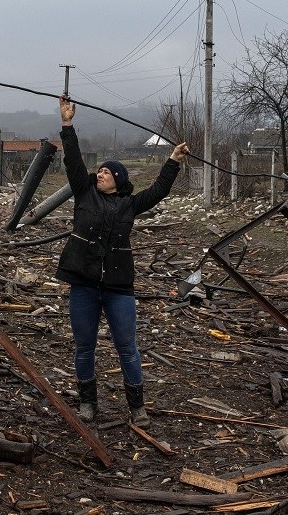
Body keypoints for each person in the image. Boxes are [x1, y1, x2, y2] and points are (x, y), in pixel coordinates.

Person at [55, 95, 189, 426]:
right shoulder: (84, 193)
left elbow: (158, 190)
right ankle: (88, 403)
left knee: (127, 347)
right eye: (98, 170)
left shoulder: (129, 205)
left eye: (105, 171)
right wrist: (67, 124)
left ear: (118, 178)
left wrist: (173, 160)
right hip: (84, 285)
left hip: (118, 288)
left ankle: (137, 407)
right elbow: (72, 160)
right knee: (84, 348)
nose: (99, 174)